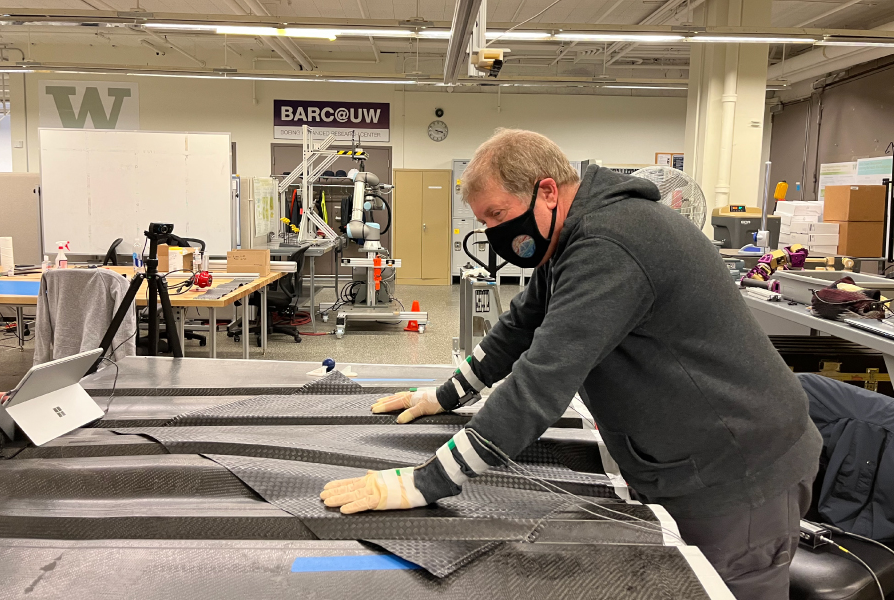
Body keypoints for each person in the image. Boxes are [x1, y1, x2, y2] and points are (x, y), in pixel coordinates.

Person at [321, 129, 821, 600]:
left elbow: (543, 378)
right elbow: (519, 328)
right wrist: (443, 395)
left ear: (547, 192)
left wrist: (423, 483)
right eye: (484, 222)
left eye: (497, 215)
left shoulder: (612, 242)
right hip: (691, 461)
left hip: (739, 478)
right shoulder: (572, 236)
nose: (493, 232)